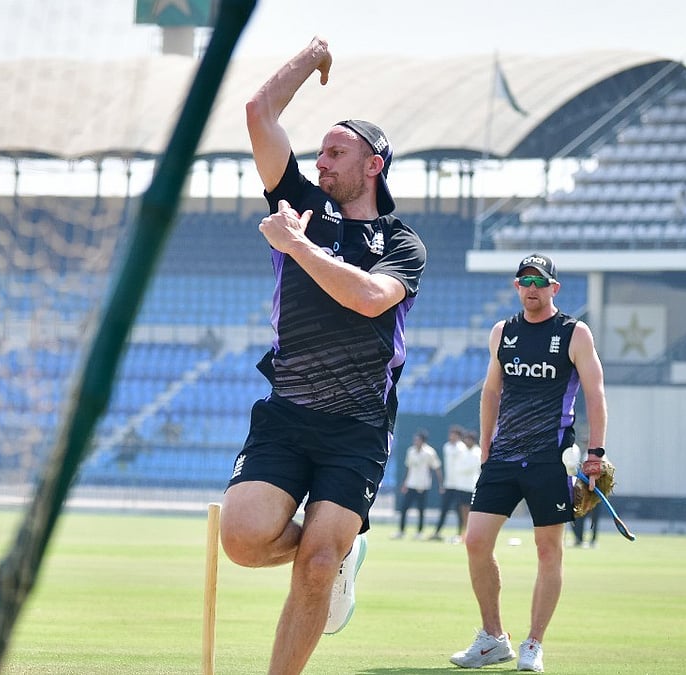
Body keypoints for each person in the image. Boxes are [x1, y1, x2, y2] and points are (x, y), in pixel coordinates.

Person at [218, 36, 426, 675]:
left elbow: (369, 299)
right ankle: (339, 549)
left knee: (313, 567)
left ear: (374, 165)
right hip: (286, 412)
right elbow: (259, 113)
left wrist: (299, 248)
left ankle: (330, 556)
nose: (321, 160)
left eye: (337, 152)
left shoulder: (402, 243)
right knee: (242, 542)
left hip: (357, 427)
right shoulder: (302, 204)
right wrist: (313, 55)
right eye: (320, 151)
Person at [450, 253, 607, 673]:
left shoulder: (574, 333)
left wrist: (595, 454)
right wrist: (485, 447)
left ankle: (534, 643)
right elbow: (491, 392)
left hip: (549, 459)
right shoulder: (503, 332)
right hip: (503, 456)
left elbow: (595, 394)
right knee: (475, 541)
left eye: (540, 281)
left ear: (554, 288)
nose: (532, 288)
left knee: (548, 549)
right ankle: (493, 638)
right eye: (525, 281)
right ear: (517, 286)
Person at [431, 426, 481, 543]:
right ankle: (443, 532)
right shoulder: (448, 447)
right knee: (455, 509)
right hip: (456, 485)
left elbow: (468, 467)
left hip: (468, 486)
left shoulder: (468, 450)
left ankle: (463, 533)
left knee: (465, 510)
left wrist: (460, 469)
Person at [392, 430, 442, 540]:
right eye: (415, 440)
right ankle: (401, 531)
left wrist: (440, 484)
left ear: (423, 441)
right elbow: (408, 468)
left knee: (421, 510)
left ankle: (419, 532)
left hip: (423, 486)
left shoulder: (429, 452)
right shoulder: (411, 451)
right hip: (411, 484)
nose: (416, 442)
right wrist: (404, 483)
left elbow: (436, 468)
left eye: (418, 440)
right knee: (404, 508)